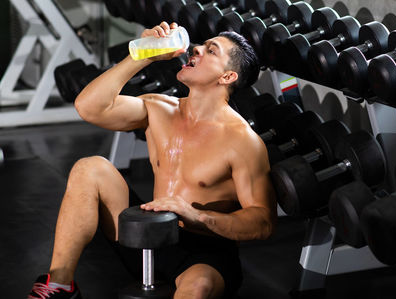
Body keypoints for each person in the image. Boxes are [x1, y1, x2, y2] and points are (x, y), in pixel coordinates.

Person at [28, 22, 276, 299]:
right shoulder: (159, 108)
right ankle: (60, 285)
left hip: (202, 253)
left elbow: (262, 221)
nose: (196, 48)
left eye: (211, 50)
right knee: (90, 168)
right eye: (201, 45)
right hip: (146, 235)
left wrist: (198, 216)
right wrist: (140, 57)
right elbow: (89, 107)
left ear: (227, 76)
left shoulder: (242, 141)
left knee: (198, 287)